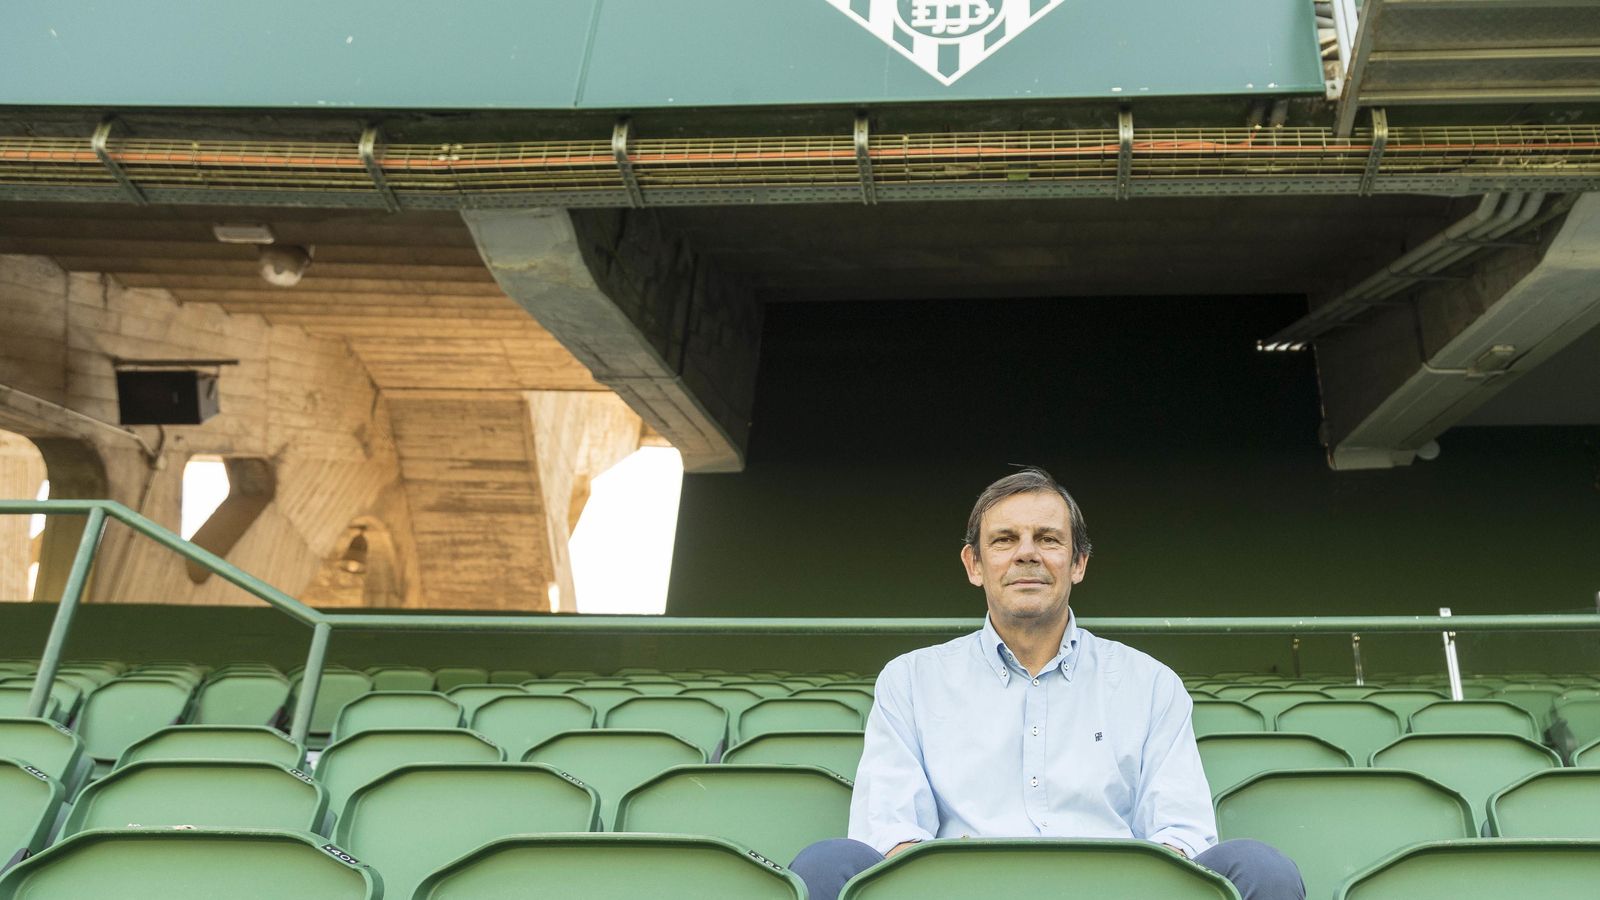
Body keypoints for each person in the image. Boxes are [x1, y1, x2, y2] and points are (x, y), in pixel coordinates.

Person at [790, 467, 1305, 900]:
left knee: (1260, 869)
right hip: (959, 895)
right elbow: (890, 829)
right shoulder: (910, 680)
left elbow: (1180, 835)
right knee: (826, 864)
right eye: (1005, 540)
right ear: (975, 565)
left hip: (1114, 895)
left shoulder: (1151, 683)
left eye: (1049, 539)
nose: (1027, 554)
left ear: (1077, 563)